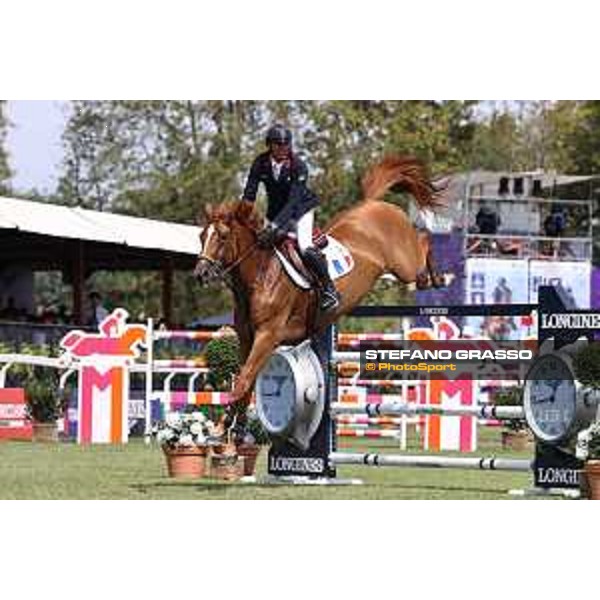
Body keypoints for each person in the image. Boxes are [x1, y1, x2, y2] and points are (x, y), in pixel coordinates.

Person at [240, 124, 340, 311]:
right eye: (279, 144)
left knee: (305, 247)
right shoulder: (260, 163)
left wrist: (275, 226)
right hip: (276, 212)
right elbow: (249, 194)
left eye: (287, 144)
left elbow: (293, 202)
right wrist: (241, 215)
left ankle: (329, 290)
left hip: (300, 211)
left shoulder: (298, 166)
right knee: (259, 245)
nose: (284, 148)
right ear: (269, 145)